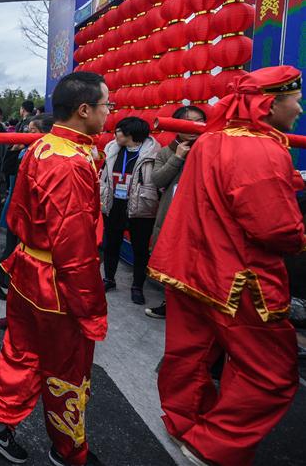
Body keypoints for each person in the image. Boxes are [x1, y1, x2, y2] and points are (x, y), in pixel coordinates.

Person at [149, 66, 305, 466]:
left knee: (190, 357)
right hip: (240, 278)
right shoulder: (262, 148)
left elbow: (228, 189)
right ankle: (215, 441)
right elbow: (276, 228)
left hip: (191, 269)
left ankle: (187, 423)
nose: (299, 108)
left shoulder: (211, 139)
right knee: (270, 372)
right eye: (295, 99)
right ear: (271, 104)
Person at [0, 71, 109, 466]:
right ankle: (69, 450)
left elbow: (16, 215)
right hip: (57, 283)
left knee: (22, 353)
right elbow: (76, 247)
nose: (108, 113)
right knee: (66, 368)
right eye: (105, 106)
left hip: (29, 270)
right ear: (84, 110)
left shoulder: (42, 146)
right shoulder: (70, 164)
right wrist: (91, 307)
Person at [0, 113, 54, 307]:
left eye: (32, 131)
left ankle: (1, 281)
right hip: (19, 209)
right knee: (14, 249)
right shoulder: (25, 152)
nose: (26, 134)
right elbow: (8, 172)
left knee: (15, 249)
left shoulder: (42, 154)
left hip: (23, 209)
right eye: (27, 130)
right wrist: (14, 150)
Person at [144, 105, 206, 319]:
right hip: (172, 215)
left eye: (198, 121)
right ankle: (169, 304)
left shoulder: (210, 149)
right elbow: (157, 180)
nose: (192, 127)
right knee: (171, 262)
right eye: (186, 122)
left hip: (200, 217)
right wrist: (177, 157)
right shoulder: (166, 151)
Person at [99, 116, 161, 305]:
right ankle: (109, 279)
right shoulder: (112, 150)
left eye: (119, 131)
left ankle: (137, 287)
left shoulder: (153, 154)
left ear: (130, 134)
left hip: (140, 207)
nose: (115, 134)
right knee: (111, 245)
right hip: (114, 204)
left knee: (140, 249)